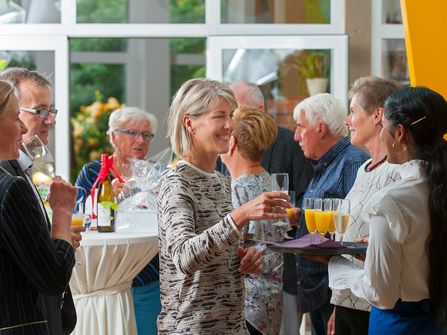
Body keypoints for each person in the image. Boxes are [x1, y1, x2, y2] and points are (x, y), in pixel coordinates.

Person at [158, 78, 291, 334]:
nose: (230, 125)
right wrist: (240, 215)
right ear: (190, 123)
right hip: (192, 328)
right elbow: (185, 257)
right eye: (219, 116)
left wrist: (242, 256)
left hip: (233, 326)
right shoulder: (177, 183)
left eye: (231, 115)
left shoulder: (221, 181)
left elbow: (216, 247)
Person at [326, 86, 447, 334]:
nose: (382, 136)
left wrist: (337, 267)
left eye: (385, 127)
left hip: (397, 324)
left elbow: (380, 293)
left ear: (399, 133)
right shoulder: (435, 187)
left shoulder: (389, 200)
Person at [0, 67, 81, 335]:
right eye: (40, 111)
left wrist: (56, 239)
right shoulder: (9, 182)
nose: (51, 120)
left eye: (52, 111)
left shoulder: (26, 168)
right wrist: (61, 215)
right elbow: (52, 278)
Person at [287, 93, 369, 335]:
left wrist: (340, 304)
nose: (296, 136)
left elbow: (357, 238)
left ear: (320, 128)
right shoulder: (325, 163)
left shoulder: (352, 164)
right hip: (321, 294)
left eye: (301, 127)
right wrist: (299, 220)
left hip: (333, 294)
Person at [326, 76, 402, 335]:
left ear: (377, 115)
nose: (347, 120)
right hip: (349, 302)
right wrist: (338, 304)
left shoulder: (399, 173)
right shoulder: (363, 170)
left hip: (375, 308)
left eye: (353, 111)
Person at [75, 106, 160, 335]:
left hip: (149, 275)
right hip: (106, 275)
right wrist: (111, 199)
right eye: (132, 133)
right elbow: (79, 214)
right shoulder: (94, 172)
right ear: (113, 136)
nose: (140, 140)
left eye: (146, 135)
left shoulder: (157, 175)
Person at [221, 105, 283, 335]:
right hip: (269, 303)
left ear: (232, 143)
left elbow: (227, 247)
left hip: (245, 305)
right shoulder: (269, 181)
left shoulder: (238, 189)